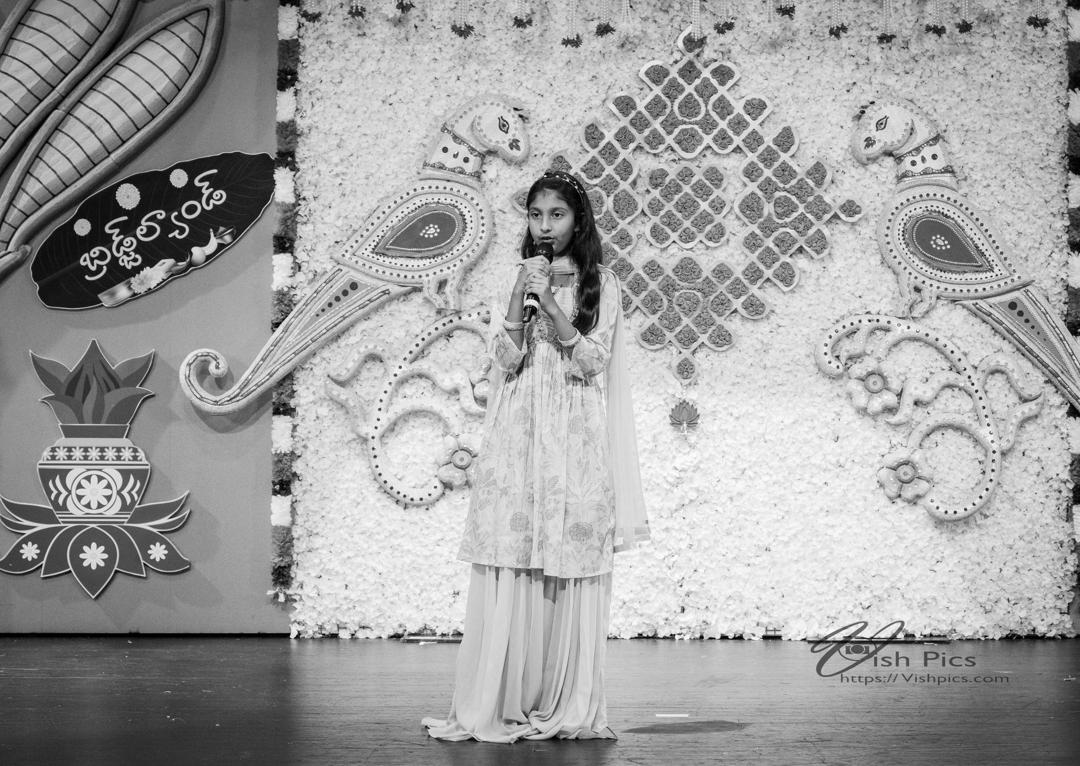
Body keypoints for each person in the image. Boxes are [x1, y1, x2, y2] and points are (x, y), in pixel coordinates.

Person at [422, 170, 649, 743]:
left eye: (557, 215)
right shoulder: (519, 276)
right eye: (536, 215)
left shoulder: (602, 283)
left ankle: (563, 700)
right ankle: (506, 699)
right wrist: (521, 301)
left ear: (579, 220)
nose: (545, 226)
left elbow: (593, 362)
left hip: (573, 432)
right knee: (516, 550)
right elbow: (503, 358)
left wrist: (552, 304)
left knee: (569, 554)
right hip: (520, 430)